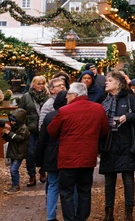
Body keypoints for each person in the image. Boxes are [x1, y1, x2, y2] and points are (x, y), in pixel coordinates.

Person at [47, 82, 109, 221]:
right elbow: (104, 130)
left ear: (75, 95)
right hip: (88, 157)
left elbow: (51, 131)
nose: (66, 98)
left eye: (68, 95)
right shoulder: (98, 109)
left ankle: (69, 218)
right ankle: (82, 218)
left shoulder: (64, 111)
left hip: (67, 158)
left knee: (66, 191)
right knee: (85, 190)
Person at [99, 72, 135, 221]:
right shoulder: (105, 101)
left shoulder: (131, 99)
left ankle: (129, 213)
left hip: (127, 144)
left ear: (118, 83)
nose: (106, 83)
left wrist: (129, 116)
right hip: (109, 145)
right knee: (109, 182)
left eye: (109, 80)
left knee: (128, 180)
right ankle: (109, 213)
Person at [35, 91, 71, 221]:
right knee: (71, 186)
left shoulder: (49, 116)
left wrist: (39, 162)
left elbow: (42, 140)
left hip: (51, 155)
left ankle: (50, 216)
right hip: (67, 155)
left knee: (53, 186)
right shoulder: (70, 115)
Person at [18, 74, 50, 186]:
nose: (41, 86)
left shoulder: (48, 96)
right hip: (31, 128)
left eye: (42, 83)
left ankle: (42, 171)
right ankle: (31, 175)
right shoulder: (26, 96)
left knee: (45, 151)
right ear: (33, 84)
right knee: (30, 153)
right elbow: (20, 111)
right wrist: (22, 126)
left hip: (44, 128)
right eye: (38, 83)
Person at [1, 108, 30, 194]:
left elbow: (19, 138)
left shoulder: (24, 129)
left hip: (19, 152)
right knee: (12, 169)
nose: (12, 122)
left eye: (13, 121)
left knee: (14, 169)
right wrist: (5, 133)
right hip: (14, 151)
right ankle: (14, 184)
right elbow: (8, 138)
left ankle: (16, 185)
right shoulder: (14, 127)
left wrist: (9, 133)